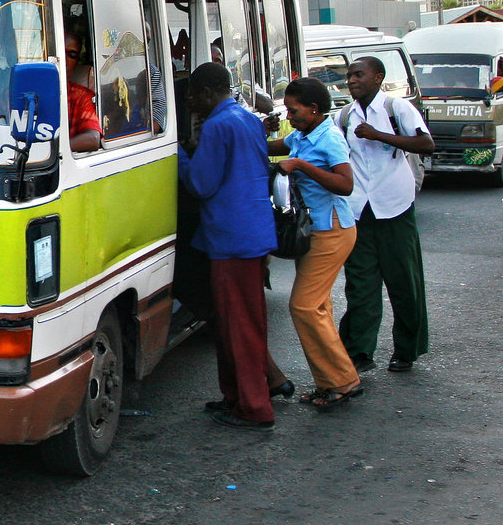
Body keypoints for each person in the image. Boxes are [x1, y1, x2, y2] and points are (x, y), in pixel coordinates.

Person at [178, 63, 279, 430]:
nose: (188, 101)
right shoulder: (246, 118)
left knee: (238, 325)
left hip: (231, 238)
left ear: (206, 93)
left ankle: (254, 407)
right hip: (251, 230)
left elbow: (202, 185)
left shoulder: (218, 125)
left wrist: (180, 156)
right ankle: (236, 397)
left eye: (191, 94)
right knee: (240, 322)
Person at [268, 77, 361, 410]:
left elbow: (345, 184)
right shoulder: (304, 134)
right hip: (313, 230)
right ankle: (332, 382)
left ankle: (343, 381)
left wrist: (302, 166)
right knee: (319, 307)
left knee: (304, 306)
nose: (289, 116)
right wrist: (258, 130)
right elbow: (277, 148)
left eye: (294, 111)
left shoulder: (330, 137)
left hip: (332, 230)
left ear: (314, 109)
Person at [337, 55, 434, 373]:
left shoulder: (397, 108)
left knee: (403, 281)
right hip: (359, 209)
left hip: (394, 206)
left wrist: (379, 135)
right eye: (349, 75)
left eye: (358, 75)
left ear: (378, 77)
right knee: (360, 283)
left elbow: (426, 144)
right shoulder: (346, 116)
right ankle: (360, 351)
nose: (352, 80)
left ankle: (406, 350)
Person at [64, 31, 102, 152]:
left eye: (71, 55)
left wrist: (52, 151)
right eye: (57, 54)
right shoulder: (21, 92)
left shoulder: (81, 97)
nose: (63, 60)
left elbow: (93, 139)